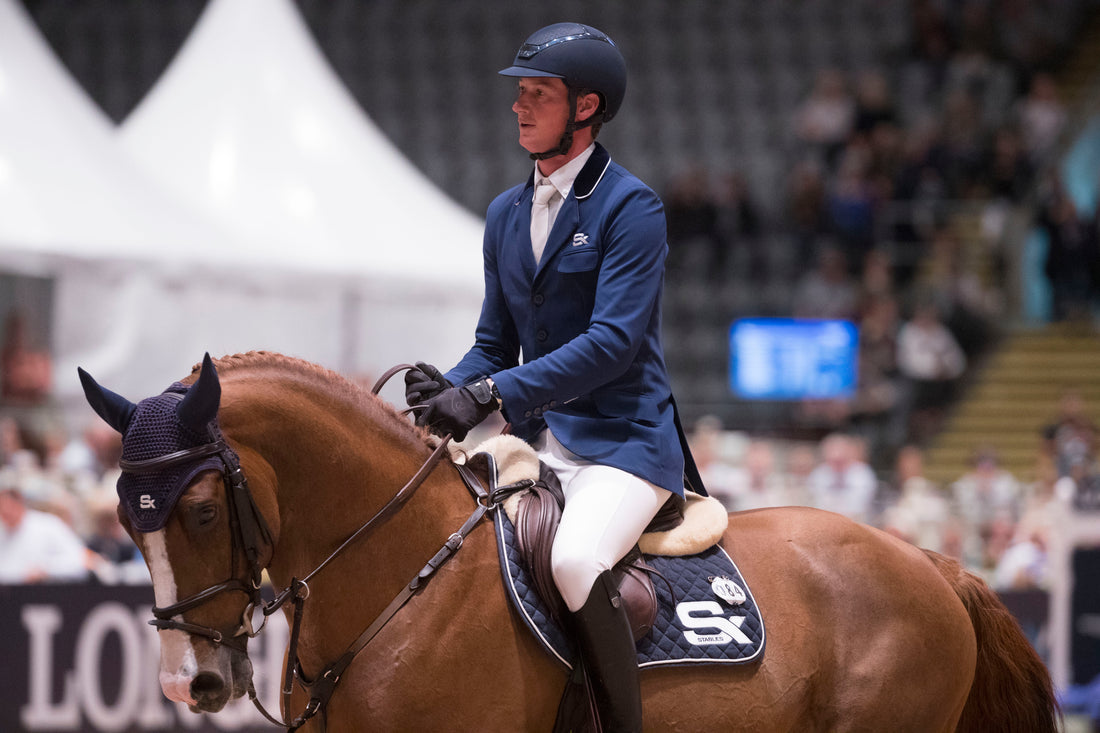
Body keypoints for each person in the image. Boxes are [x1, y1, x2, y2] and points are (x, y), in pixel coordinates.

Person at [404, 23, 687, 731]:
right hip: (539, 443)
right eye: (519, 94)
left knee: (574, 560)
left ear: (585, 108)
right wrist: (450, 386)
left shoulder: (631, 207)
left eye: (538, 95)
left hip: (622, 444)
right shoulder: (505, 212)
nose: (519, 107)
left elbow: (613, 343)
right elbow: (494, 343)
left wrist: (492, 393)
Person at [0, 479, 88, 584]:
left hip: (45, 593)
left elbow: (78, 562)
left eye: (10, 507)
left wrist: (46, 569)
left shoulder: (49, 525)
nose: (7, 513)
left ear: (20, 504)